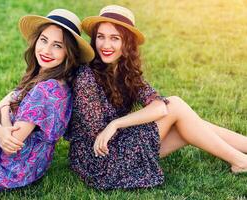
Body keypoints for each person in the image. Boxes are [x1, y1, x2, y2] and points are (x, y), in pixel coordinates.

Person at [64, 5, 247, 190]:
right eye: (101, 37)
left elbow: (159, 107)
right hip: (98, 160)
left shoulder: (125, 71)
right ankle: (240, 161)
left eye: (115, 38)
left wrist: (116, 123)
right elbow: (98, 137)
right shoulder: (86, 77)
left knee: (188, 124)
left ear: (126, 43)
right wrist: (118, 125)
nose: (105, 45)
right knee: (176, 107)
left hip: (119, 145)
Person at [0, 9, 94, 194]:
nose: (46, 50)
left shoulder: (48, 90)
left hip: (9, 167)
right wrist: (1, 119)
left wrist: (2, 118)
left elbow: (10, 145)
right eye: (43, 40)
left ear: (68, 52)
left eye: (57, 45)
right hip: (18, 160)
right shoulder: (42, 76)